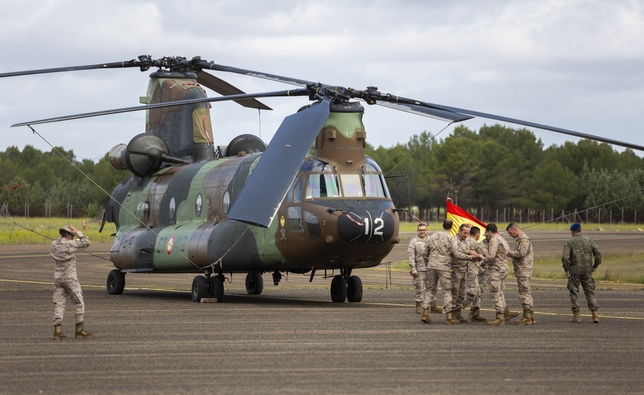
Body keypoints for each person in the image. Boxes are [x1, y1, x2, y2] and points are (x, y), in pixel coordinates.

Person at [51, 225, 92, 340]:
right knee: (79, 302)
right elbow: (86, 242)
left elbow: (58, 244)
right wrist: (78, 232)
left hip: (58, 278)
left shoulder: (54, 244)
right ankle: (79, 330)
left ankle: (57, 332)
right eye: (72, 236)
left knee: (59, 304)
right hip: (70, 278)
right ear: (69, 235)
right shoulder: (71, 244)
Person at [562, 222, 602, 323]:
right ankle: (595, 315)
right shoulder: (589, 240)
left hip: (574, 271)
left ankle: (577, 316)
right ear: (580, 230)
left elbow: (565, 257)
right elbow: (598, 255)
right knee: (590, 292)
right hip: (587, 270)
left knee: (574, 291)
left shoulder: (570, 242)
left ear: (572, 231)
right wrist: (594, 266)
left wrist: (567, 269)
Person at [423, 219, 458, 325]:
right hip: (443, 267)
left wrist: (428, 263)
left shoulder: (433, 236)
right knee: (447, 291)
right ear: (451, 227)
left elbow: (425, 252)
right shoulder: (451, 238)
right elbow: (455, 253)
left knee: (430, 290)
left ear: (442, 225)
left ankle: (424, 313)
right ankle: (449, 316)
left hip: (431, 265)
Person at [481, 223, 514, 326]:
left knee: (495, 292)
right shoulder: (502, 239)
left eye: (487, 232)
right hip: (503, 268)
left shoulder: (494, 240)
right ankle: (505, 312)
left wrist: (481, 263)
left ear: (489, 231)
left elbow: (491, 256)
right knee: (500, 292)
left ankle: (499, 317)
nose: (487, 235)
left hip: (496, 269)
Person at [450, 224, 482, 323]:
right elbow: (456, 254)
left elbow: (466, 251)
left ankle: (457, 314)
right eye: (464, 233)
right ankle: (450, 314)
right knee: (454, 293)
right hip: (456, 270)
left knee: (461, 293)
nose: (466, 235)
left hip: (464, 270)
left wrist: (473, 254)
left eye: (467, 233)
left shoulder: (465, 241)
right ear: (459, 231)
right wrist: (471, 257)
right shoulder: (454, 240)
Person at [506, 223, 536, 325]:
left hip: (523, 270)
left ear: (515, 229)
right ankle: (530, 316)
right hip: (522, 270)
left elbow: (520, 253)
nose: (510, 235)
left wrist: (508, 252)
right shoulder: (520, 240)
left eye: (510, 233)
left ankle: (527, 316)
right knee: (525, 292)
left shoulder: (523, 240)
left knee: (524, 293)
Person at [465, 226, 488, 322]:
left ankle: (475, 313)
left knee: (477, 292)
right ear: (477, 234)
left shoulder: (464, 241)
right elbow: (484, 254)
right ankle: (455, 310)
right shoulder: (475, 243)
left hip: (466, 269)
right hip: (472, 270)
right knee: (472, 292)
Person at [407, 223, 429, 314]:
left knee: (431, 288)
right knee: (420, 287)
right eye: (420, 230)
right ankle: (419, 305)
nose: (422, 232)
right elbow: (411, 256)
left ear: (426, 230)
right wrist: (413, 268)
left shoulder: (431, 240)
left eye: (424, 230)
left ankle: (432, 305)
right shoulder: (414, 241)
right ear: (417, 231)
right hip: (419, 268)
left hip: (430, 268)